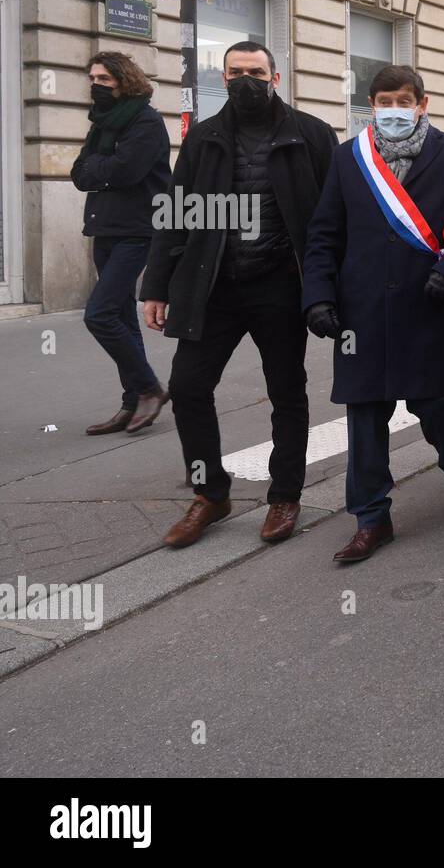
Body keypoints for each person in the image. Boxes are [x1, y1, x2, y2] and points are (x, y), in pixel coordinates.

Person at [141, 41, 337, 549]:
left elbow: (335, 216)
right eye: (235, 72)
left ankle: (285, 495)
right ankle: (211, 494)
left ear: (275, 78)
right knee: (186, 387)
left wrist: (332, 284)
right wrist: (157, 286)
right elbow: (176, 212)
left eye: (255, 71)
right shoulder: (203, 138)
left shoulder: (311, 135)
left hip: (280, 286)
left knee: (287, 392)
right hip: (214, 287)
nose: (244, 79)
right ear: (223, 77)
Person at [300, 65, 444, 563]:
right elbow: (324, 232)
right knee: (365, 416)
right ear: (372, 106)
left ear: (422, 103)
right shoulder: (348, 159)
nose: (393, 110)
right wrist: (318, 296)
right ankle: (371, 518)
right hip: (362, 312)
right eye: (384, 101)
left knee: (436, 408)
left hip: (428, 303)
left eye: (403, 100)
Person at [71, 52, 171, 437]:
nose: (96, 84)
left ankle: (149, 388)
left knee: (99, 314)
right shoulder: (102, 123)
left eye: (104, 79)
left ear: (124, 80)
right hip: (104, 228)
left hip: (138, 229)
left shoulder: (145, 121)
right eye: (92, 77)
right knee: (122, 317)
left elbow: (127, 171)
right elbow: (79, 173)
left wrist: (100, 169)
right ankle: (131, 402)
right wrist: (102, 170)